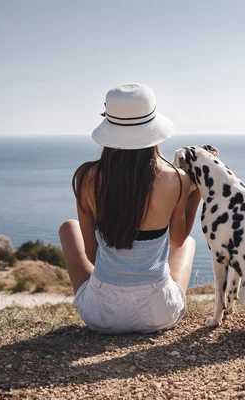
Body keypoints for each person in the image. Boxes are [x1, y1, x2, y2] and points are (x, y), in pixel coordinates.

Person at [59, 83, 201, 334]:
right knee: (187, 243)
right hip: (159, 312)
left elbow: (92, 255)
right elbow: (177, 240)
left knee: (68, 227)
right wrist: (196, 189)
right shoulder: (177, 179)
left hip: (101, 315)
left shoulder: (86, 177)